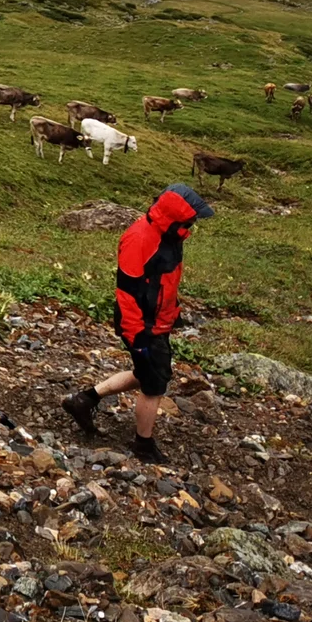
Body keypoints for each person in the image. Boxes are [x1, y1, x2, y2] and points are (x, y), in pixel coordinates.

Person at [62, 182, 214, 464]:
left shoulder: (169, 235)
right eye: (191, 217)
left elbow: (162, 281)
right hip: (143, 326)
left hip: (158, 321)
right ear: (176, 215)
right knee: (154, 385)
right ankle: (143, 444)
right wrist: (138, 337)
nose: (194, 222)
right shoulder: (140, 239)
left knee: (149, 373)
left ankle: (83, 400)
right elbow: (127, 294)